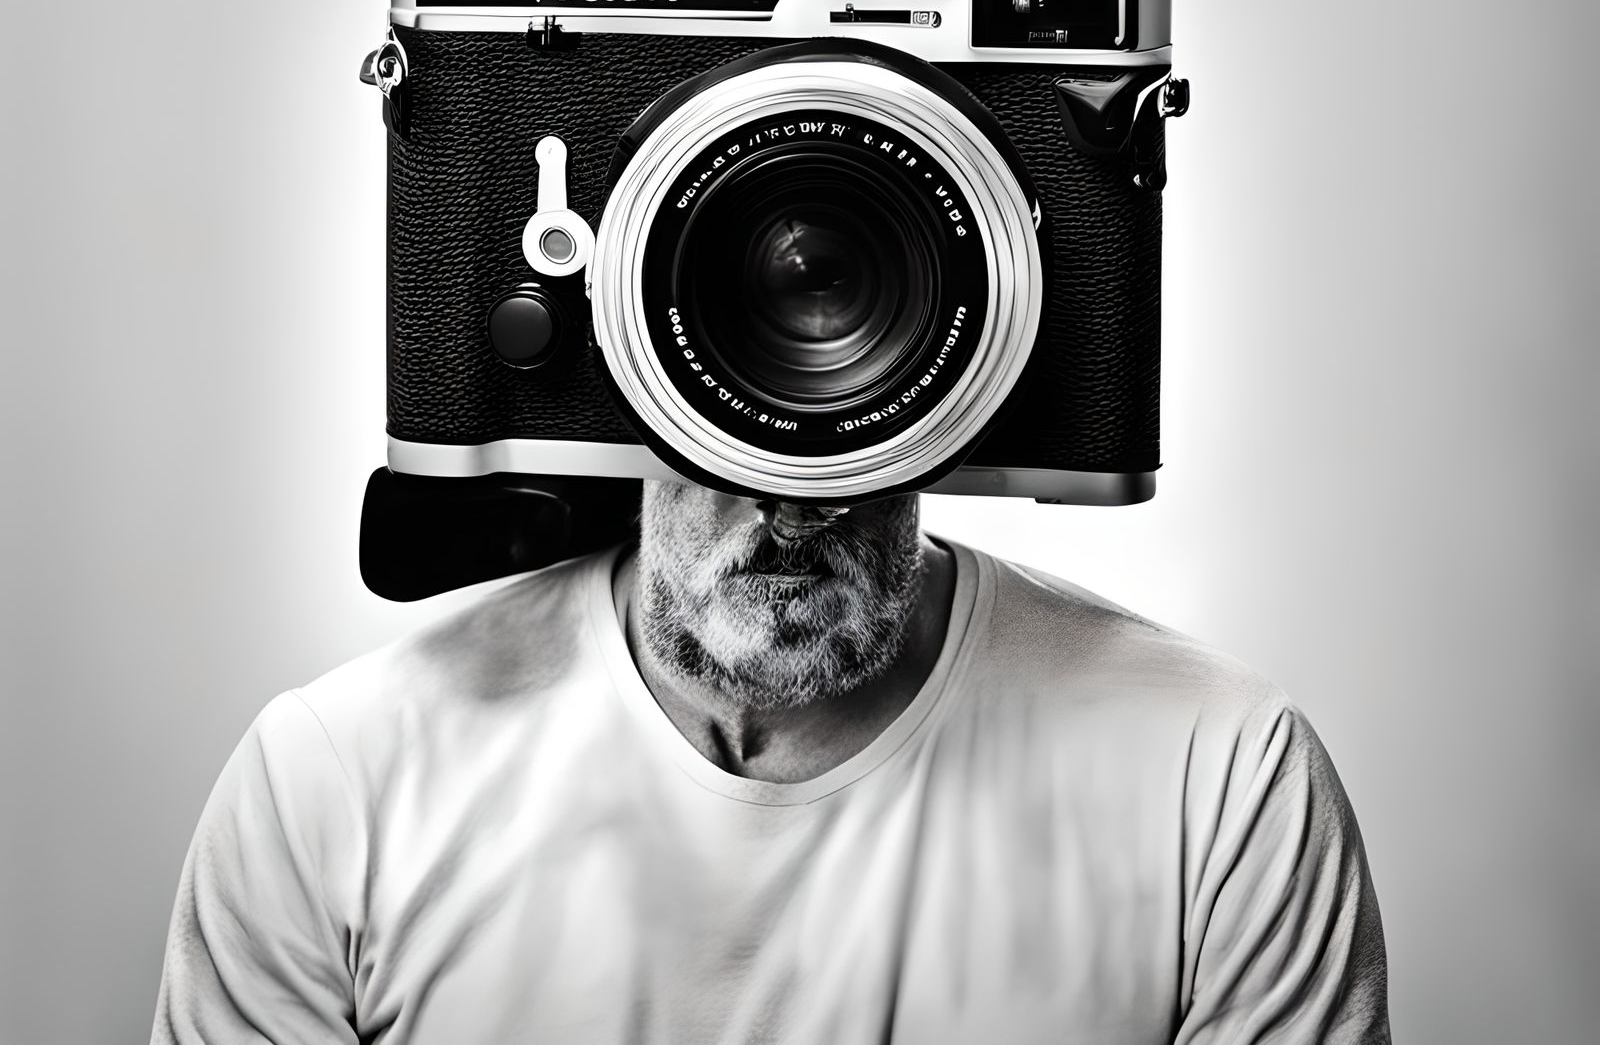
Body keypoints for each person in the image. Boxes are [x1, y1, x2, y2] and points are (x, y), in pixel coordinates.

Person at [152, 483, 1390, 1043]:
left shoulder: (1218, 774)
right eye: (731, 396)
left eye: (844, 336)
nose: (793, 502)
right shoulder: (337, 780)